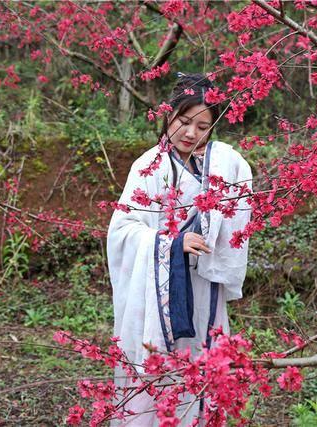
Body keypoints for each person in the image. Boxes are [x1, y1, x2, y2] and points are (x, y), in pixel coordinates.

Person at [106, 73, 253, 426]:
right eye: (185, 122)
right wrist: (172, 244)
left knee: (200, 368)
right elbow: (123, 229)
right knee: (159, 370)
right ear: (169, 116)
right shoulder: (149, 166)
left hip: (202, 286)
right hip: (158, 291)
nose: (191, 133)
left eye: (202, 126)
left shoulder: (213, 167)